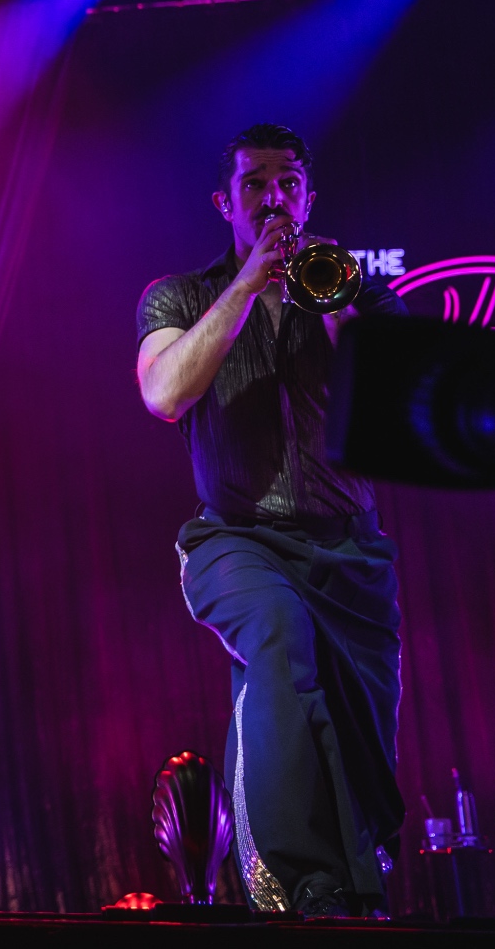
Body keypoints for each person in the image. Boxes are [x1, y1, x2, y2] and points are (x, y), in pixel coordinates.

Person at [135, 124, 407, 915]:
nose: (274, 198)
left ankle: (349, 890)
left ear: (309, 197)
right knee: (279, 634)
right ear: (227, 203)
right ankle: (287, 881)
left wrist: (336, 307)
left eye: (288, 183)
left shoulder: (354, 287)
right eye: (255, 184)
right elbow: (164, 394)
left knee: (360, 732)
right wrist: (249, 285)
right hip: (235, 539)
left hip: (349, 548)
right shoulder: (179, 296)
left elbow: (389, 398)